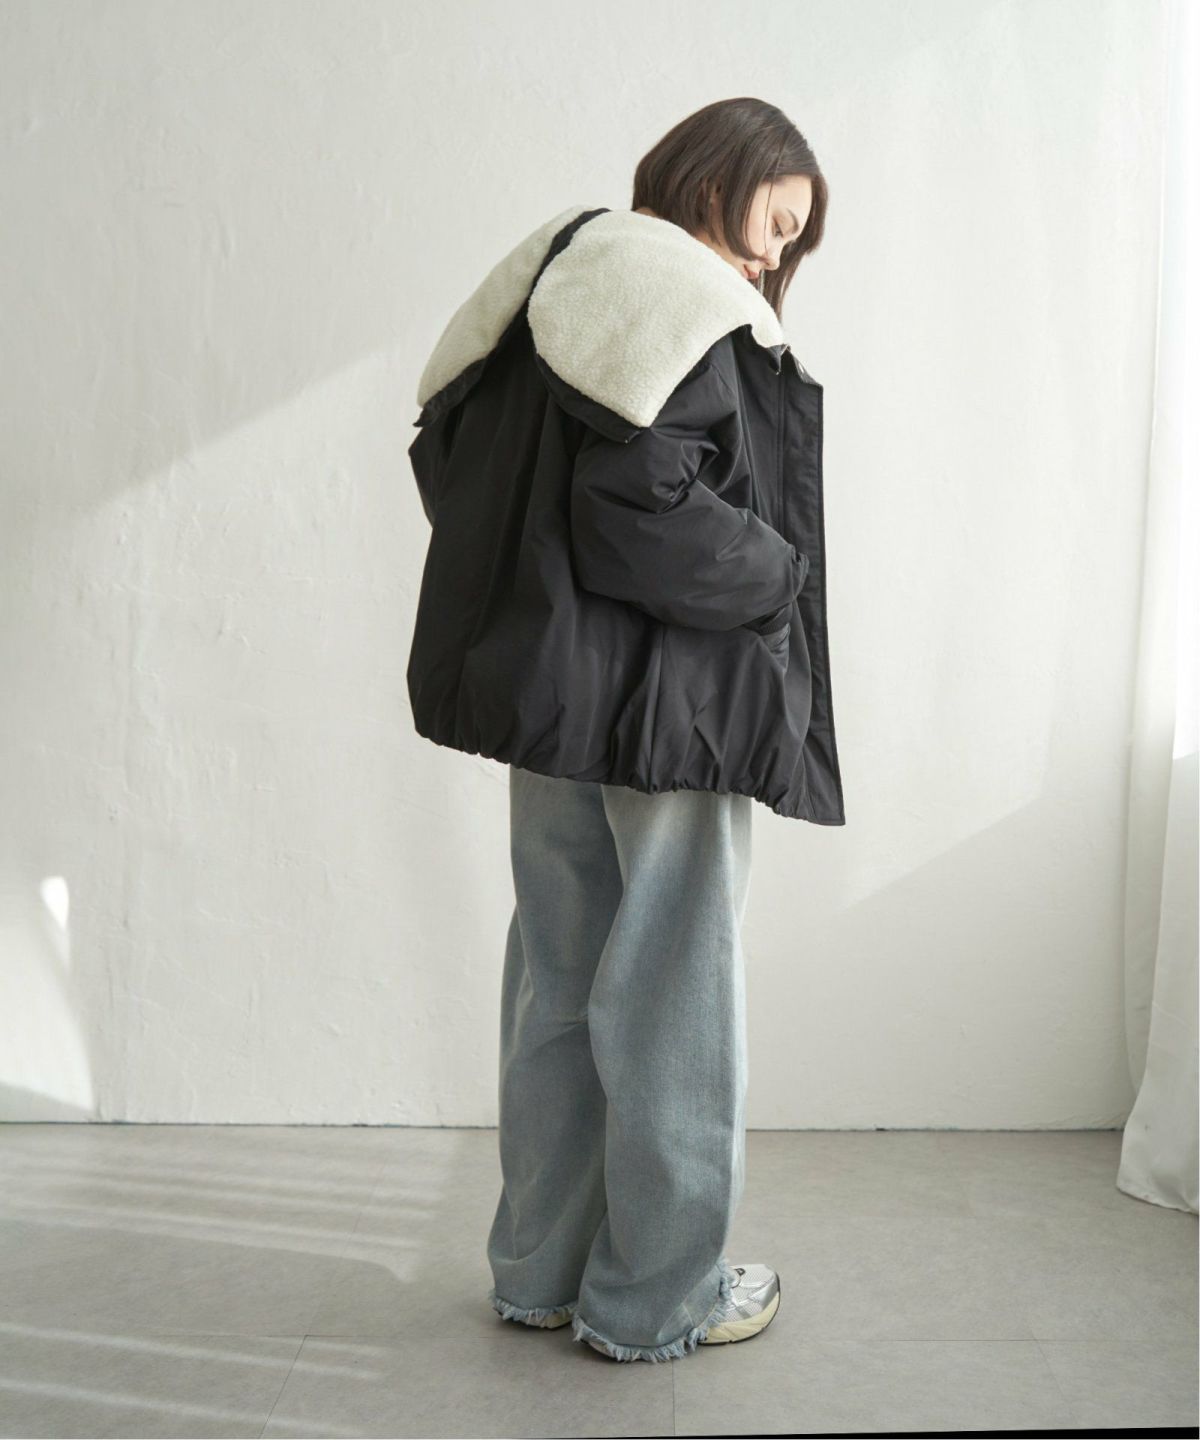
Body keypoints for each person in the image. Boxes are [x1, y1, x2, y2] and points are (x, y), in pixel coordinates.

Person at [406, 96, 845, 1362]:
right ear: (719, 179)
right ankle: (658, 1298)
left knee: (558, 981)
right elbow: (634, 505)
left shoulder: (560, 272)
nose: (777, 254)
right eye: (778, 220)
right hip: (672, 714)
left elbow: (459, 466)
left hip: (552, 707)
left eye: (795, 239)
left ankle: (540, 1271)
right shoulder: (684, 302)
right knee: (674, 998)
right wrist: (776, 573)